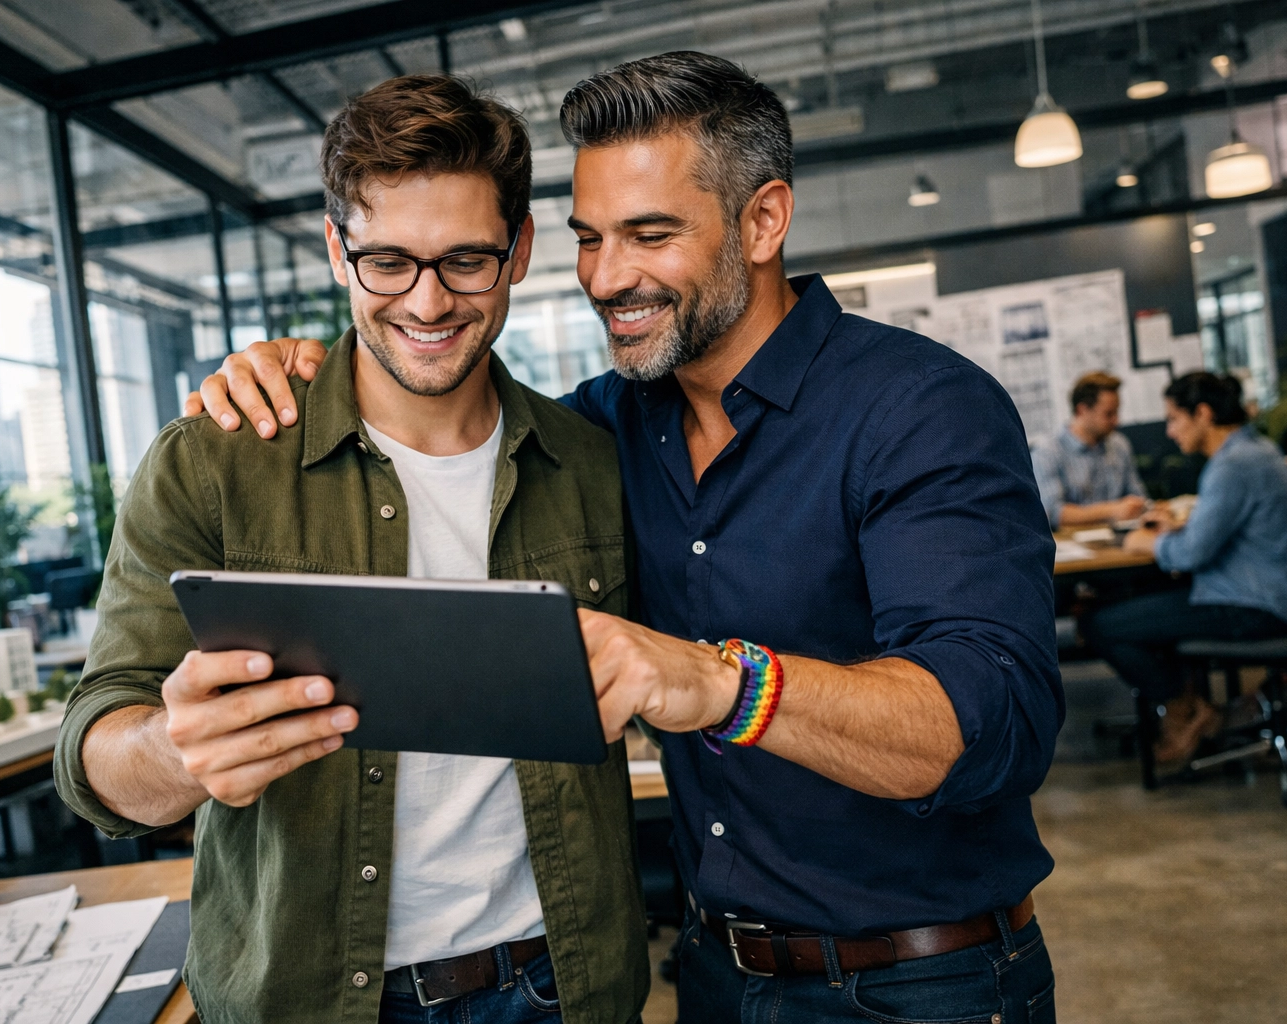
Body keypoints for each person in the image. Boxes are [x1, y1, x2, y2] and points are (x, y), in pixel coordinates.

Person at [190, 52, 1062, 1023]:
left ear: (763, 220)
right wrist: (296, 368)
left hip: (923, 981)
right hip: (713, 972)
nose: (609, 278)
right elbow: (436, 401)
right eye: (591, 239)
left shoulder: (918, 408)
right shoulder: (600, 430)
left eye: (650, 234)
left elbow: (993, 720)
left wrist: (717, 682)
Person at [53, 76, 650, 1024]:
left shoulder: (592, 461)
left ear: (520, 251)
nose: (427, 301)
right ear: (337, 249)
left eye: (465, 260)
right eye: (387, 262)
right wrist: (176, 752)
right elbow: (92, 747)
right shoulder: (215, 462)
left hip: (563, 986)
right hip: (310, 998)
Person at [1084, 371, 1287, 762]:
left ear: (1202, 414)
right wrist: (1181, 530)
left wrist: (1150, 541)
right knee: (1145, 607)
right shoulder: (1257, 449)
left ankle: (1184, 707)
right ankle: (1192, 704)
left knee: (1100, 625)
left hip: (1253, 605)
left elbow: (1190, 555)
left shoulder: (1232, 465)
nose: (1170, 431)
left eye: (1174, 419)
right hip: (1276, 594)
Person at [1030, 371, 1149, 529]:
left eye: (1116, 412)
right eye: (1108, 414)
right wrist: (1112, 510)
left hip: (1120, 542)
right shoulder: (1047, 451)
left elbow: (1138, 496)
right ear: (1082, 410)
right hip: (1072, 548)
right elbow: (1052, 512)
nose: (1116, 420)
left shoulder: (1119, 444)